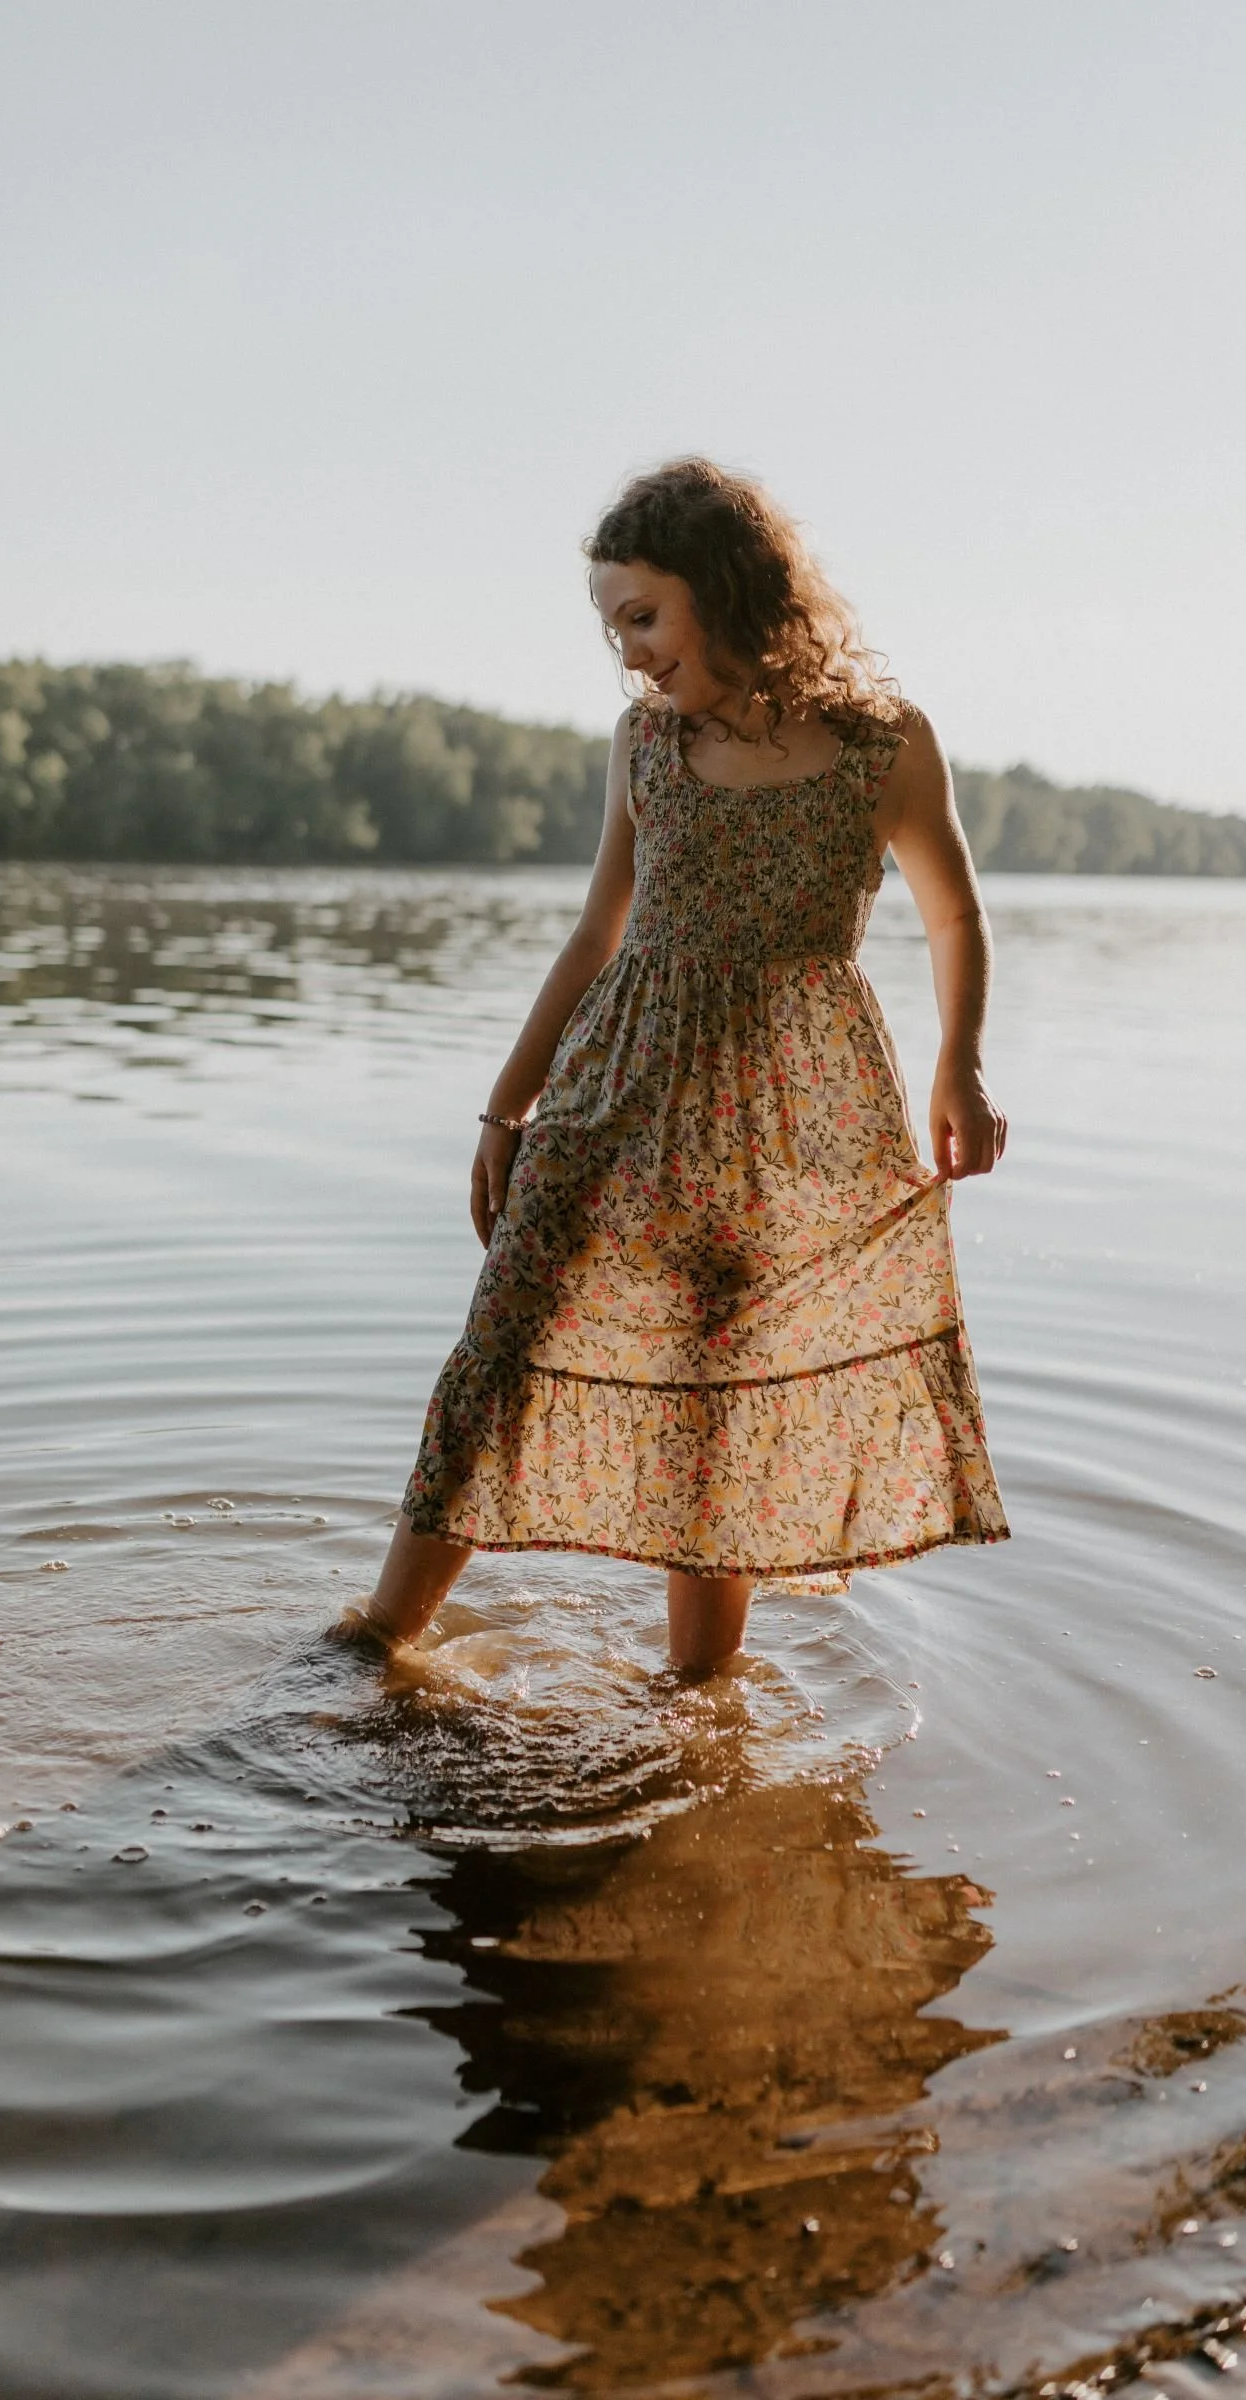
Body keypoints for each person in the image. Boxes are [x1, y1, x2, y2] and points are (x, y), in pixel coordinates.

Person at [339, 457, 1008, 1676]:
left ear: (729, 587)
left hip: (788, 1120)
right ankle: (381, 1630)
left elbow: (955, 918)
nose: (630, 652)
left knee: (726, 1388)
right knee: (505, 1336)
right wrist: (505, 1106)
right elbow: (597, 932)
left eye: (643, 616)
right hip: (616, 1087)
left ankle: (696, 1689)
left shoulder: (883, 745)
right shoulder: (644, 744)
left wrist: (956, 1068)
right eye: (611, 628)